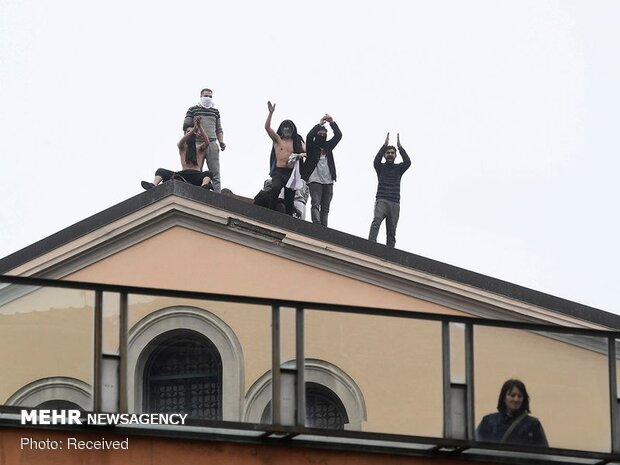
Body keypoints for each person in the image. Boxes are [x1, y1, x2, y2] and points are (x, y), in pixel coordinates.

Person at [141, 118, 213, 190]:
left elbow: (207, 142)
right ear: (185, 134)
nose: (190, 133)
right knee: (161, 171)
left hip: (196, 175)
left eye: (192, 132)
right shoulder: (182, 147)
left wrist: (199, 126)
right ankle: (153, 185)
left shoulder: (199, 148)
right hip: (183, 174)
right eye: (188, 132)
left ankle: (203, 186)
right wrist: (194, 129)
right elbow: (181, 141)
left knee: (208, 173)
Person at [368, 132, 411, 247]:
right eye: (388, 153)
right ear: (385, 155)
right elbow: (375, 161)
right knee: (376, 221)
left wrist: (400, 147)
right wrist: (384, 146)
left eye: (392, 153)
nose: (390, 154)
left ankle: (390, 252)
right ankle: (370, 245)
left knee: (391, 231)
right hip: (382, 200)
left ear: (395, 155)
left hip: (394, 202)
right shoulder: (380, 167)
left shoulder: (399, 168)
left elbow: (408, 162)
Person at [475, 379, 548, 447]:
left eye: (520, 396)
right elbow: (475, 446)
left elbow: (544, 453)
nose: (516, 399)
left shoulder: (533, 424)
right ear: (504, 397)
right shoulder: (488, 422)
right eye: (512, 395)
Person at [264, 101, 305, 216]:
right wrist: (270, 113)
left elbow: (308, 151)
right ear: (282, 129)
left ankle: (288, 218)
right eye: (285, 128)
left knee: (290, 197)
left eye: (289, 128)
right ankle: (270, 212)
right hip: (279, 171)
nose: (287, 130)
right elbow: (267, 128)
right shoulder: (278, 139)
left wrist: (301, 155)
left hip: (291, 173)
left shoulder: (297, 141)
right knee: (275, 188)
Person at [302, 114, 342, 226]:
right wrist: (319, 124)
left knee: (325, 207)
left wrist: (332, 122)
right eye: (320, 133)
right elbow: (309, 136)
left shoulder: (328, 146)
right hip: (314, 179)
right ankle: (316, 224)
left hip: (328, 180)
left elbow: (338, 135)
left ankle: (324, 228)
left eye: (324, 133)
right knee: (315, 203)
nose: (322, 134)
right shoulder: (312, 147)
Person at [182, 88, 226, 192]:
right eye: (206, 96)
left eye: (210, 96)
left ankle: (217, 194)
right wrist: (195, 127)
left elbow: (219, 129)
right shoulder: (193, 109)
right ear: (201, 96)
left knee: (215, 172)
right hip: (196, 143)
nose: (208, 98)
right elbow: (185, 125)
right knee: (196, 170)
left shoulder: (215, 111)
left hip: (211, 143)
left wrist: (221, 142)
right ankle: (196, 193)